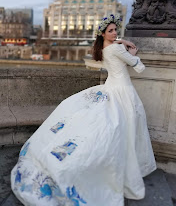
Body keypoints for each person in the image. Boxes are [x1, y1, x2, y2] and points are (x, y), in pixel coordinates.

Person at [10, 14, 156, 206]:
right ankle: (126, 171)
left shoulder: (104, 48)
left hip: (111, 87)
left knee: (114, 128)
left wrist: (122, 43)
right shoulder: (116, 48)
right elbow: (139, 67)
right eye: (110, 31)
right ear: (103, 33)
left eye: (115, 30)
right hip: (122, 91)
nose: (114, 33)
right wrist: (132, 50)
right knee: (126, 128)